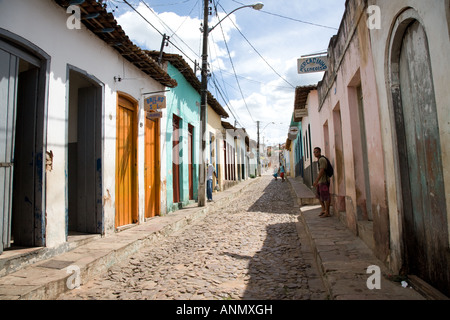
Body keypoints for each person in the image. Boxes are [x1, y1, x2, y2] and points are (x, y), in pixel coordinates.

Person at [313, 147, 331, 217]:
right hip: (320, 181)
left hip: (324, 181)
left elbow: (322, 170)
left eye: (317, 152)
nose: (315, 153)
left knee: (326, 197)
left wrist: (316, 180)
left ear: (320, 152)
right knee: (319, 196)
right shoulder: (319, 160)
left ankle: (327, 212)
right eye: (314, 152)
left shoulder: (322, 160)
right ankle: (323, 210)